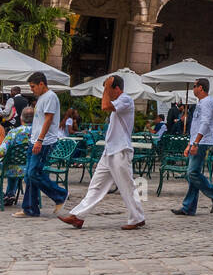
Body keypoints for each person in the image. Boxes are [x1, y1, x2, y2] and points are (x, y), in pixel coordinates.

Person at [60, 75, 146, 230]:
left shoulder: (126, 99)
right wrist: (107, 86)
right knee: (96, 186)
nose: (106, 92)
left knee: (127, 186)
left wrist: (107, 86)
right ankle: (78, 216)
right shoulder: (119, 102)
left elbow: (105, 106)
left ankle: (137, 218)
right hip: (110, 151)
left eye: (109, 89)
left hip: (121, 150)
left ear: (117, 89)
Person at [16, 71, 69, 218]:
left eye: (33, 86)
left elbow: (48, 119)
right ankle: (30, 208)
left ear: (41, 84)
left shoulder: (50, 97)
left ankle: (60, 195)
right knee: (28, 175)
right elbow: (39, 120)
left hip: (44, 141)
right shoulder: (41, 98)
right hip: (35, 140)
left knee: (34, 173)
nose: (31, 89)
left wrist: (40, 140)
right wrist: (33, 137)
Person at [174, 78, 213, 216]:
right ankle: (188, 207)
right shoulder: (200, 102)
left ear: (201, 88)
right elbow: (195, 126)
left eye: (194, 86)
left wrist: (195, 143)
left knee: (192, 173)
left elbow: (205, 123)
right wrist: (190, 144)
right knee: (192, 175)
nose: (193, 89)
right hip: (196, 141)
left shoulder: (208, 102)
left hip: (202, 142)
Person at [0, 107, 33, 206]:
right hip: (31, 168)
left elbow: (1, 152)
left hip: (10, 168)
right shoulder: (40, 132)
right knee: (15, 162)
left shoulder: (14, 132)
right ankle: (10, 193)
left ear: (21, 118)